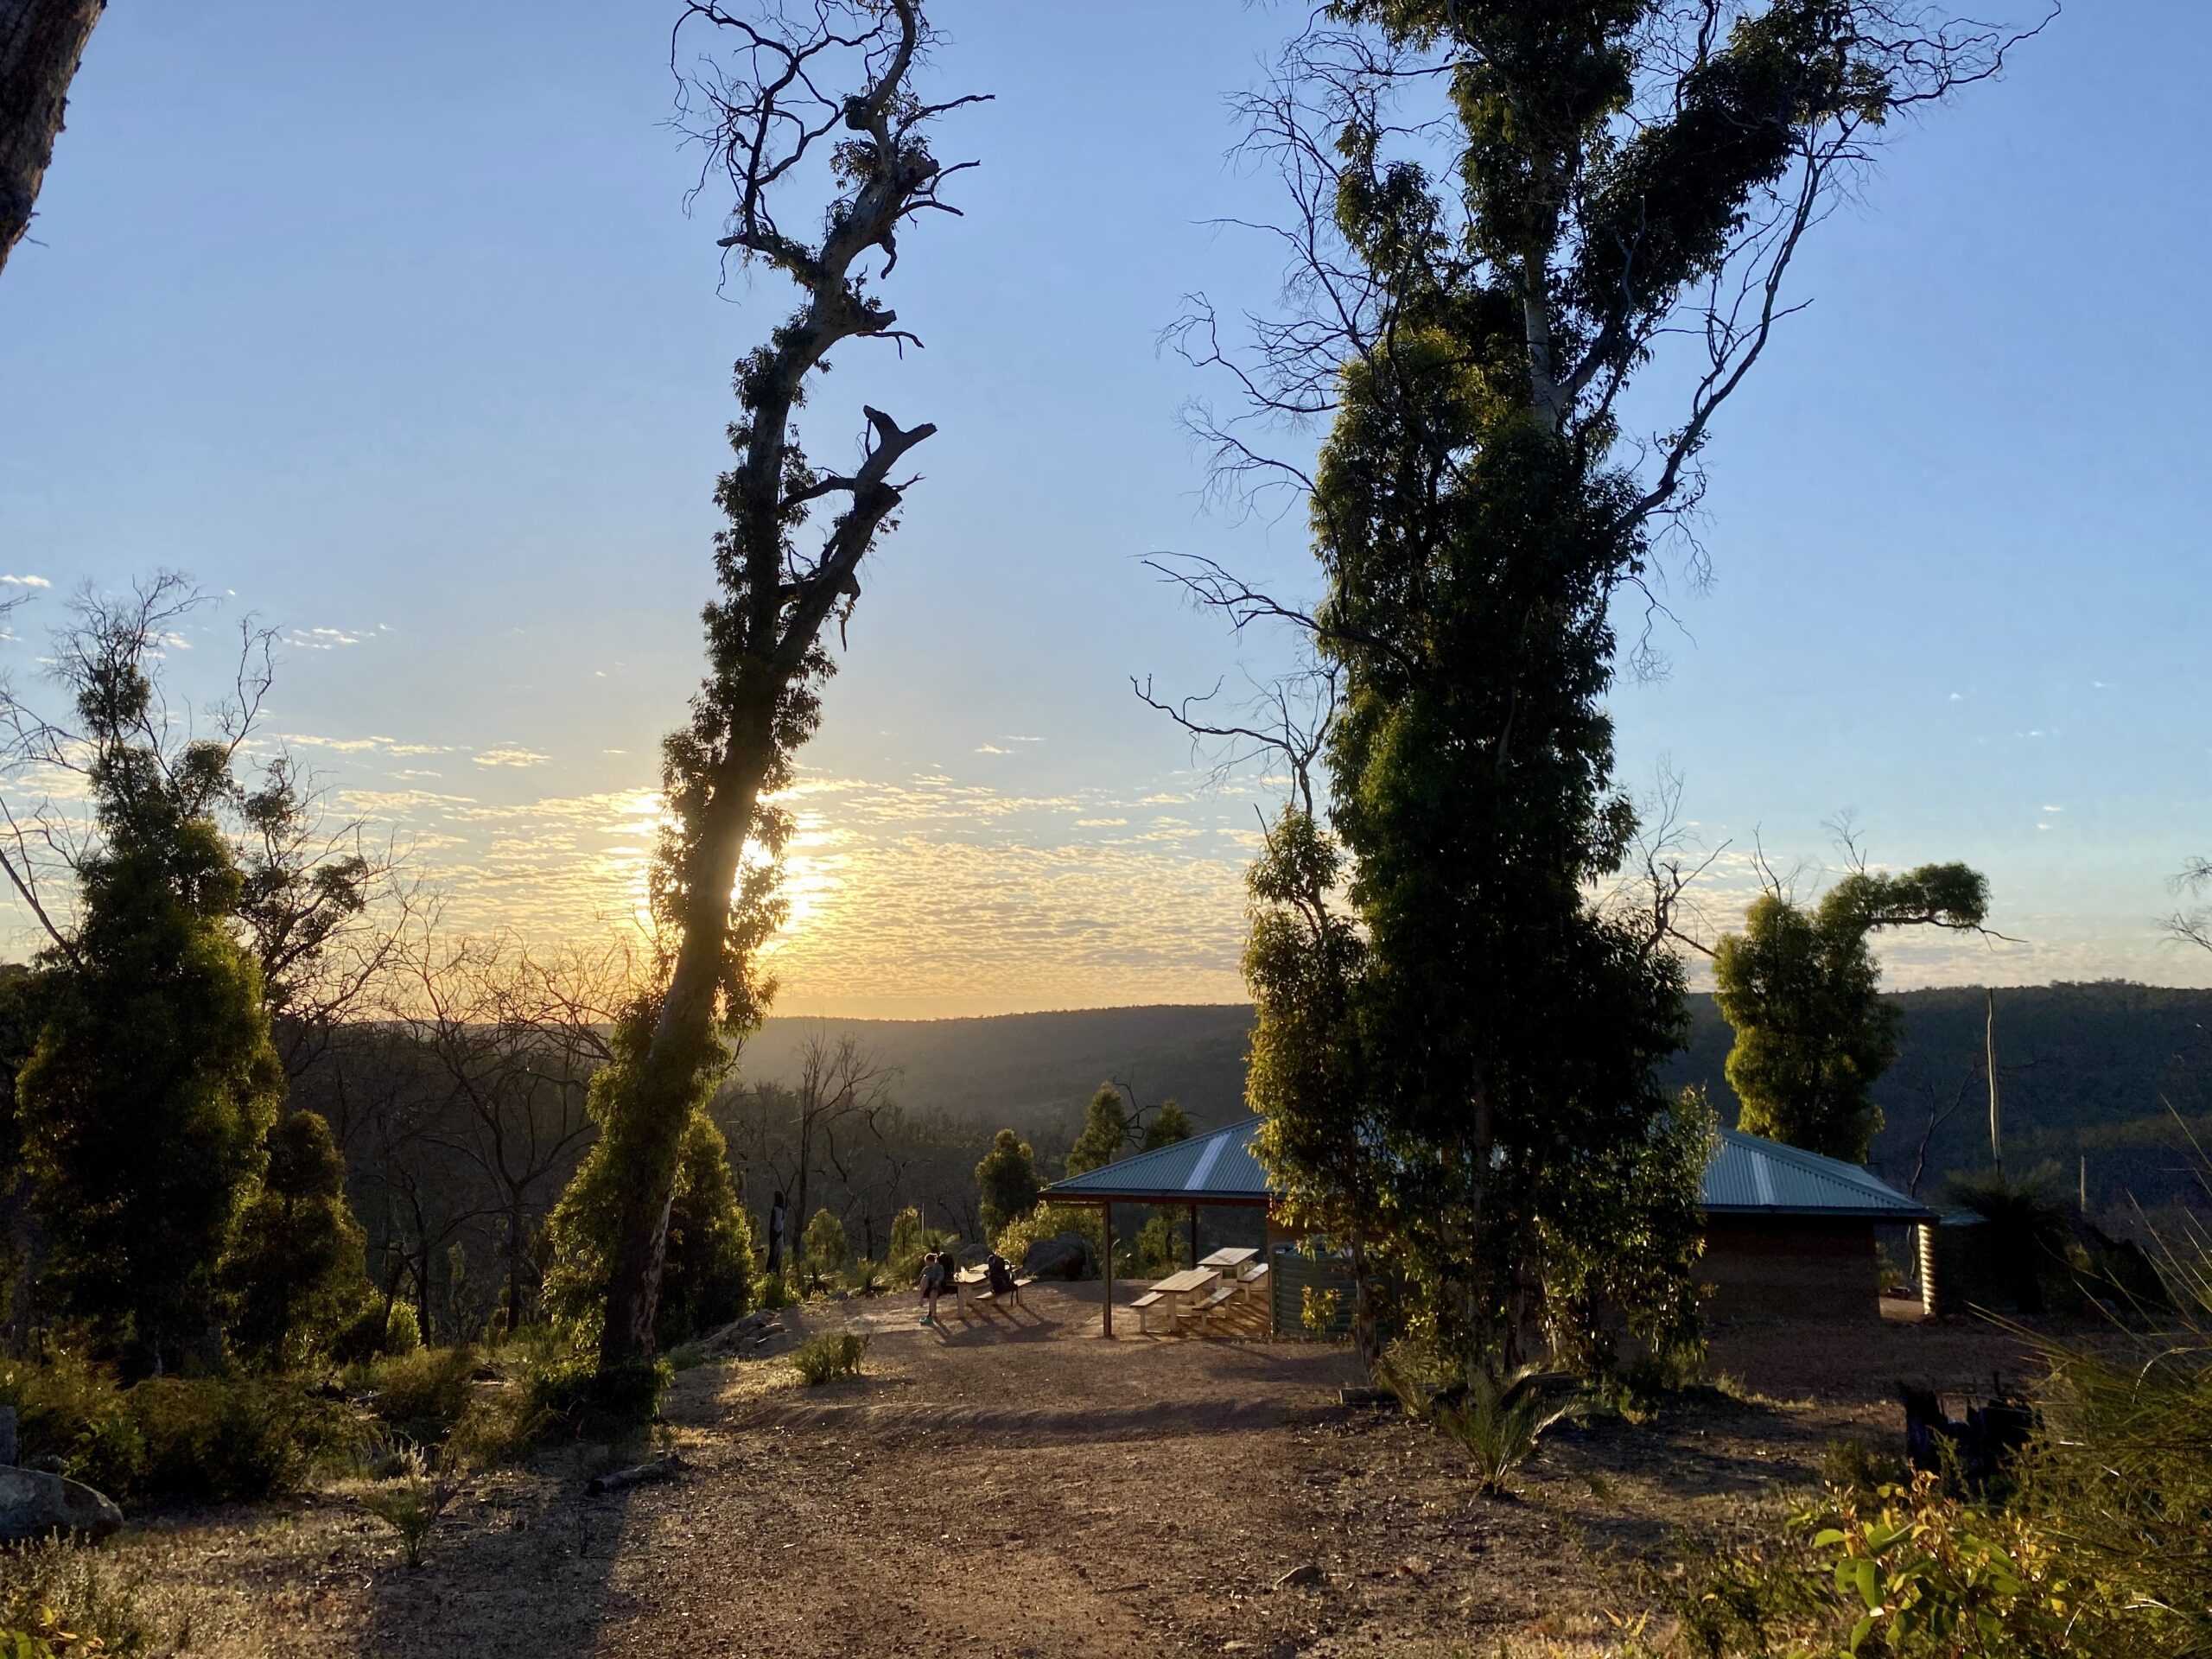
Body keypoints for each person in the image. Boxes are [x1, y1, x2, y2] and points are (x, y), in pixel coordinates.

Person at [918, 1249, 948, 1326]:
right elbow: (920, 1279)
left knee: (933, 1294)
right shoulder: (926, 1269)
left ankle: (930, 1314)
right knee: (925, 1277)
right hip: (927, 1286)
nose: (926, 1263)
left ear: (931, 1261)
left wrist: (937, 1281)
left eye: (927, 1262)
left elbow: (941, 1276)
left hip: (936, 1286)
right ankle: (921, 1298)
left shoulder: (939, 1267)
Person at [765, 1191, 787, 1278]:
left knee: (776, 1257)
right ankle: (772, 1275)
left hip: (778, 1236)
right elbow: (776, 1224)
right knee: (775, 1256)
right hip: (777, 1236)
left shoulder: (778, 1209)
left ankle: (774, 1275)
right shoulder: (777, 1209)